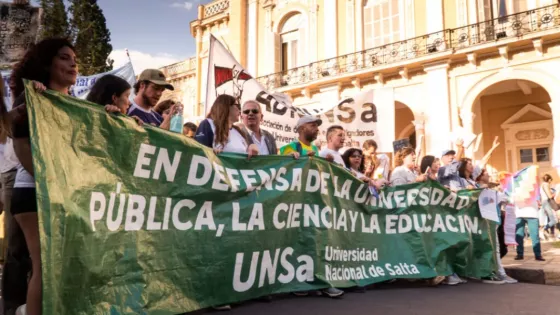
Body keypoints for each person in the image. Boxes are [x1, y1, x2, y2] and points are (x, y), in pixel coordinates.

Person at [540, 174, 558, 239]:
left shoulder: (542, 185)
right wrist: (554, 193)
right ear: (549, 179)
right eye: (551, 181)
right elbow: (549, 196)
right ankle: (542, 230)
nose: (550, 182)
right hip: (547, 202)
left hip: (544, 202)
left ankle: (545, 232)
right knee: (554, 220)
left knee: (548, 219)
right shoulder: (546, 184)